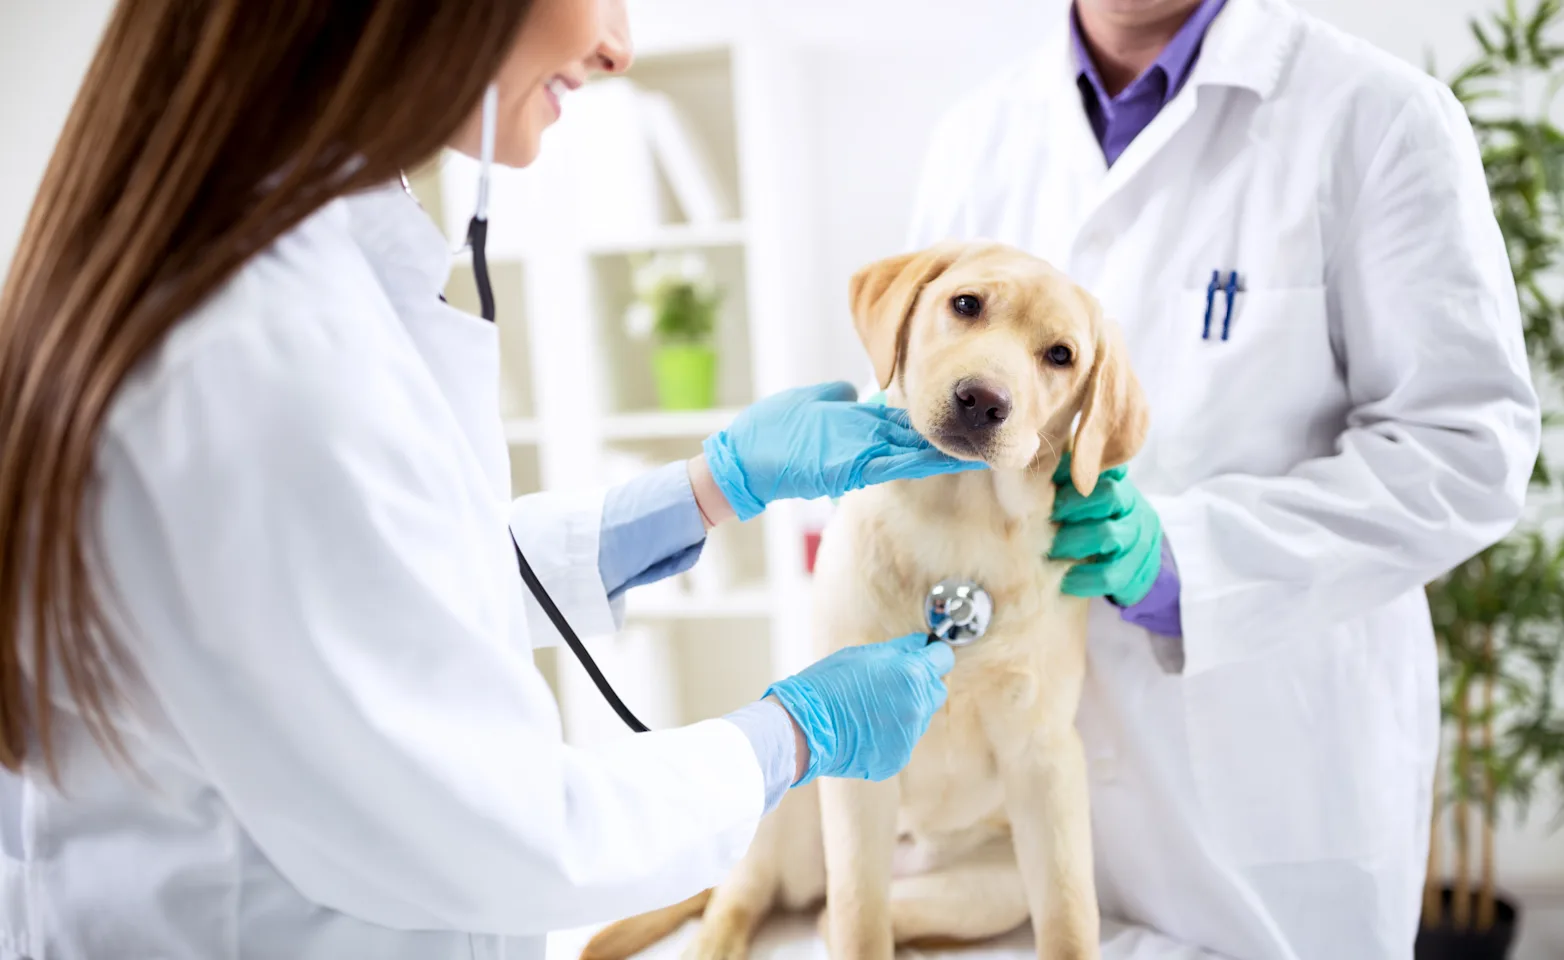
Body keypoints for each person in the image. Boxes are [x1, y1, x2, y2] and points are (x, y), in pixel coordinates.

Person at [0, 2, 980, 957]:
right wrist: (796, 735)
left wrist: (705, 490)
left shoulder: (306, 263)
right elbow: (507, 827)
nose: (617, 46)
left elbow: (380, 597)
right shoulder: (250, 353)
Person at [907, 0, 1541, 957]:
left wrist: (1186, 564)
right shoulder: (974, 137)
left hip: (1266, 802)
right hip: (1011, 813)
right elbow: (926, 406)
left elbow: (1466, 446)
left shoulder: (1377, 117)